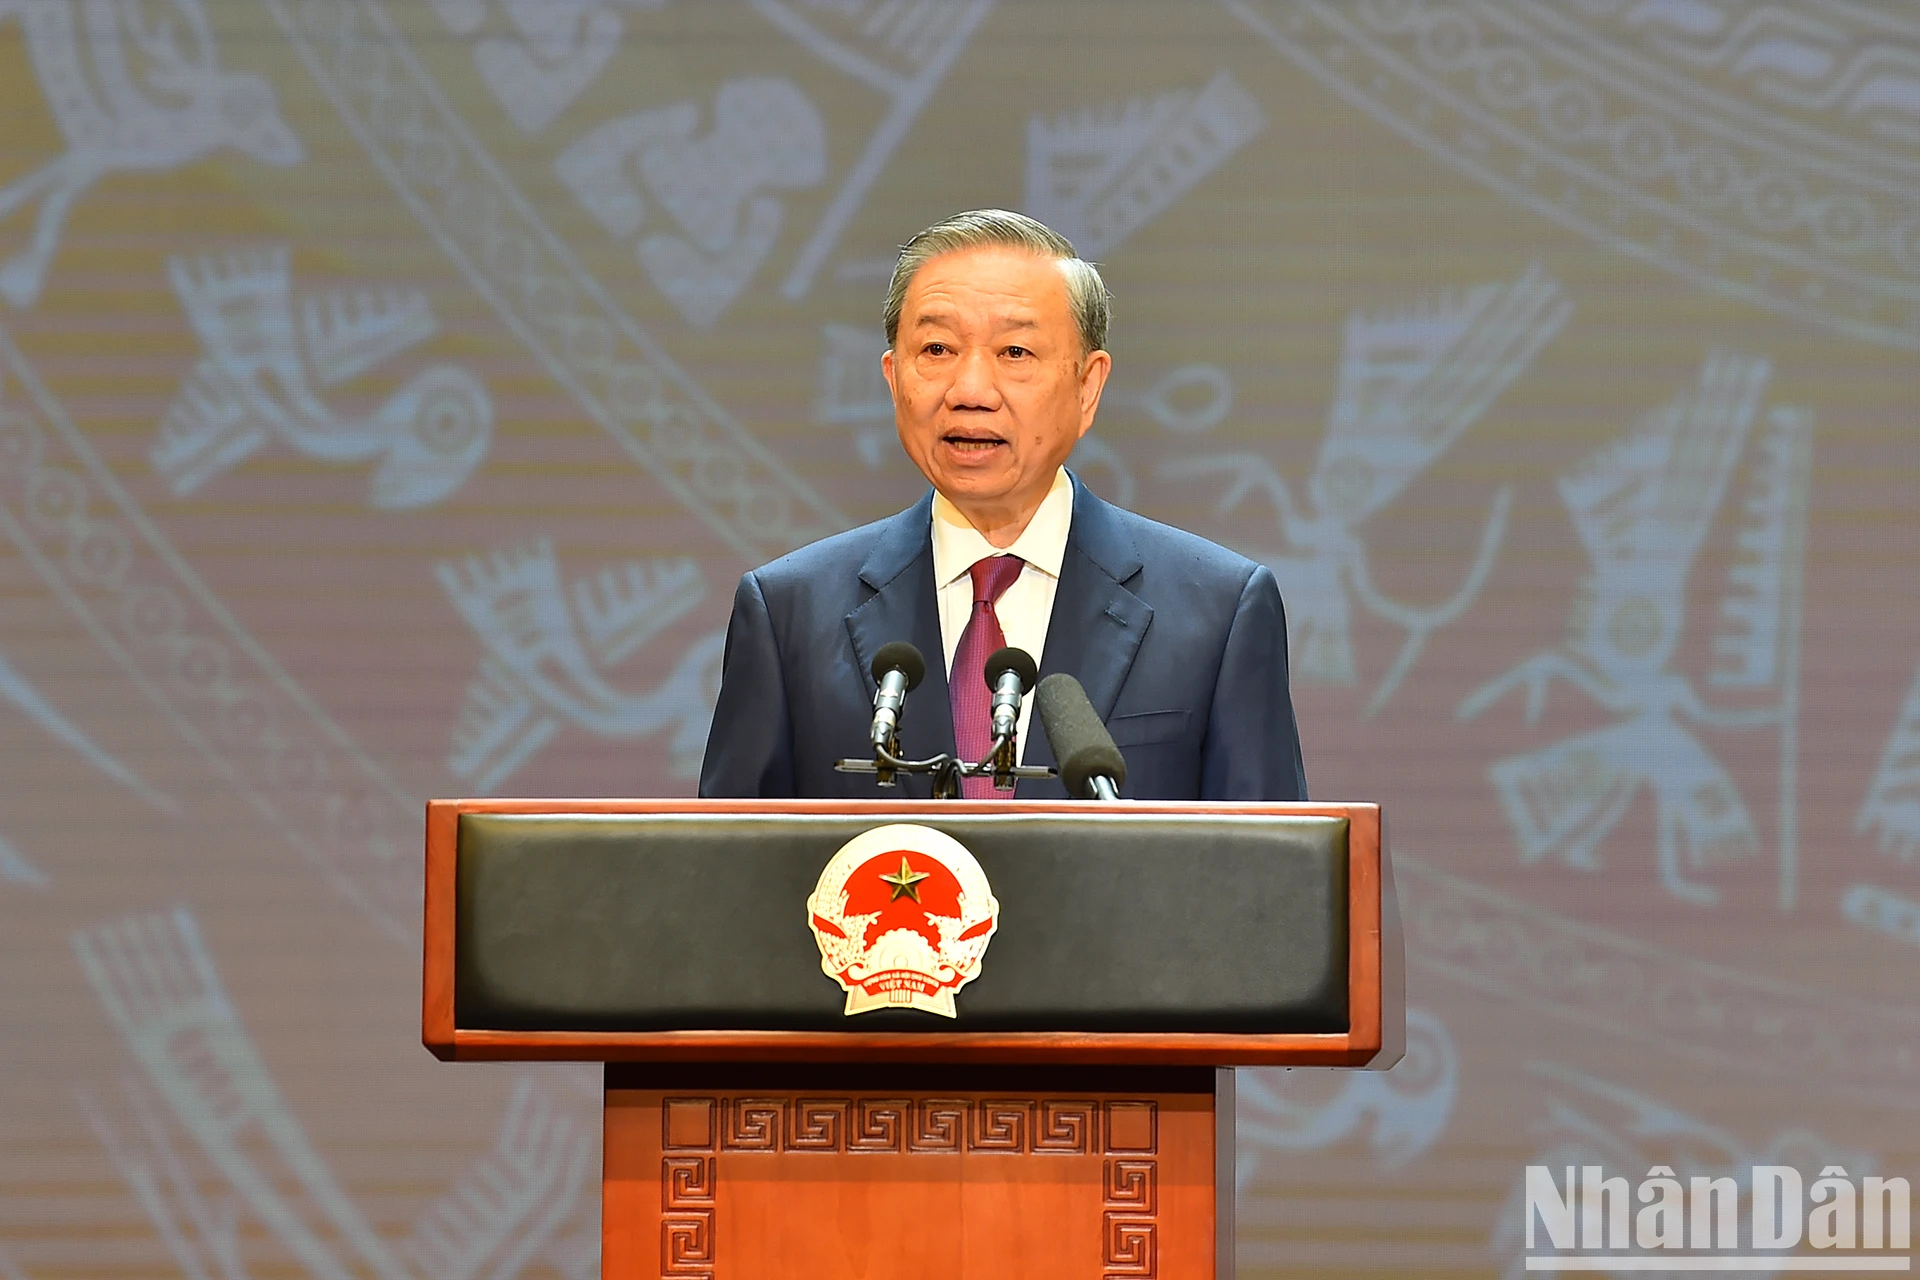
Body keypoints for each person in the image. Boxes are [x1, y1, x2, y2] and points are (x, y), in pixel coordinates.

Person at [699, 209, 1306, 800]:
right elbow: (727, 877)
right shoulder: (788, 614)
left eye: (1015, 353)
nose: (969, 392)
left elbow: (1270, 879)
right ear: (892, 376)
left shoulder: (1220, 611)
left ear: (1088, 385)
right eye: (936, 350)